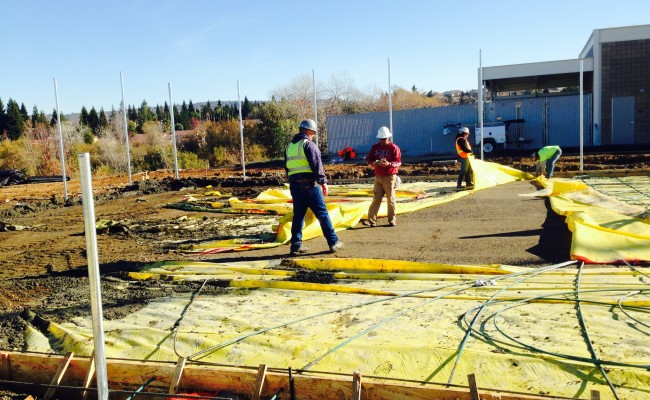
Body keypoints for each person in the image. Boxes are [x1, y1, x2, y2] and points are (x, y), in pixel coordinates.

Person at [285, 119, 344, 255]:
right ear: (308, 131)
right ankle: (333, 242)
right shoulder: (308, 145)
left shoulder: (289, 147)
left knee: (298, 216)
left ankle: (295, 245)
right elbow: (317, 165)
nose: (313, 135)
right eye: (313, 133)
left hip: (295, 186)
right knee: (322, 214)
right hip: (310, 186)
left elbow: (287, 168)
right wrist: (323, 182)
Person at [363, 126, 402, 227]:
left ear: (388, 138)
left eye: (384, 139)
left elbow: (398, 162)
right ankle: (371, 220)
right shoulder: (375, 147)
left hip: (389, 177)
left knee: (391, 199)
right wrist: (375, 163)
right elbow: (368, 160)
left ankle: (392, 219)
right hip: (378, 176)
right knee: (376, 198)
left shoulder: (394, 148)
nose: (382, 141)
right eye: (381, 139)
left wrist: (389, 164)